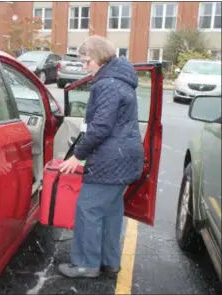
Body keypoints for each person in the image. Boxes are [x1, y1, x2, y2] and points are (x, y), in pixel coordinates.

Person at [58, 35, 144, 278]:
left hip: (110, 160)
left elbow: (101, 127)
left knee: (88, 210)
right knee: (111, 211)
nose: (85, 67)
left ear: (99, 58)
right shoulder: (122, 79)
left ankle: (86, 264)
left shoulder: (107, 84)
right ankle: (109, 261)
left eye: (87, 61)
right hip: (125, 156)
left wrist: (78, 155)